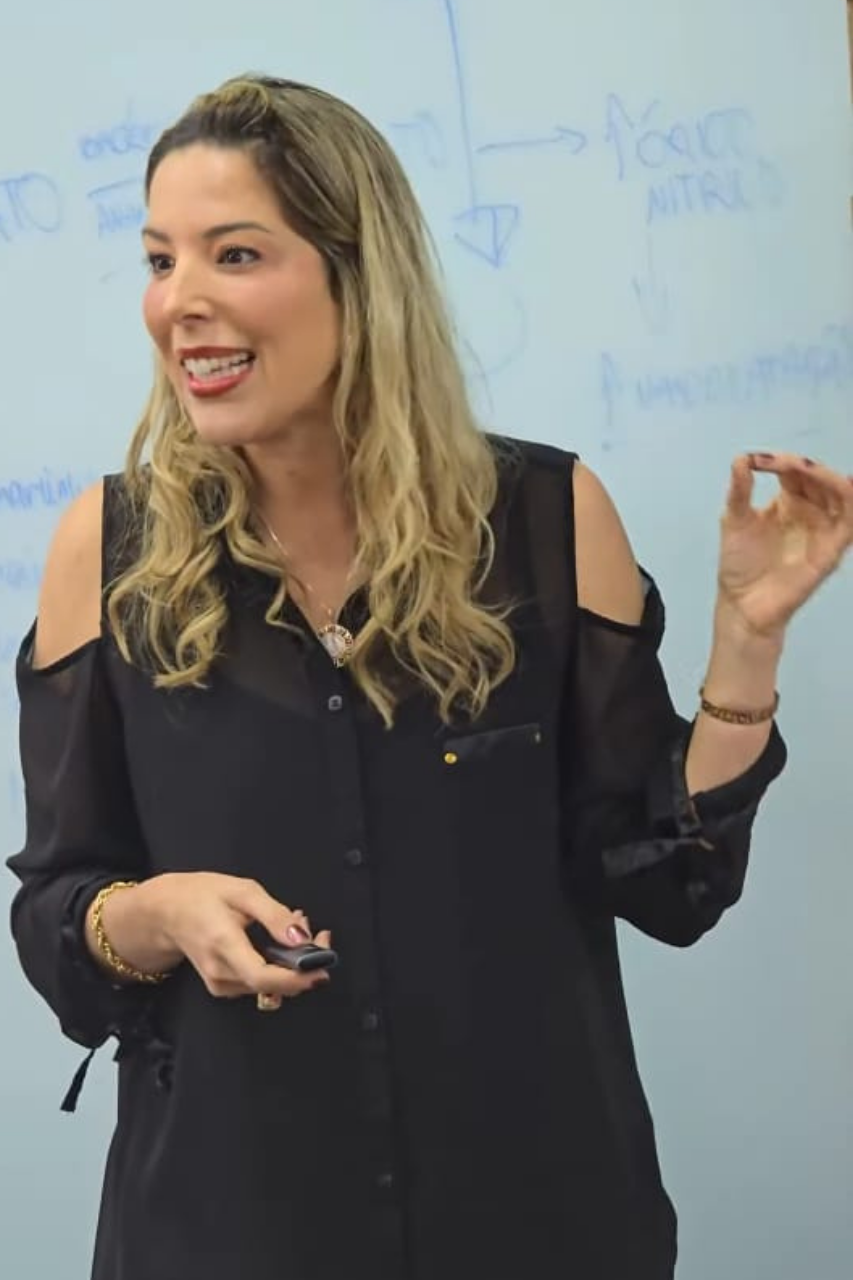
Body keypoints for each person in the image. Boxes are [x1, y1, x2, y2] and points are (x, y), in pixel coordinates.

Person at [5, 73, 852, 1280]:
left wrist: (747, 642)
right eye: (158, 260)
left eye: (234, 253)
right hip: (228, 1226)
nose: (177, 301)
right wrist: (154, 914)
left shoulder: (547, 517)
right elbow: (58, 911)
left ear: (360, 275)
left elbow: (670, 882)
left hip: (538, 1220)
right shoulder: (108, 550)